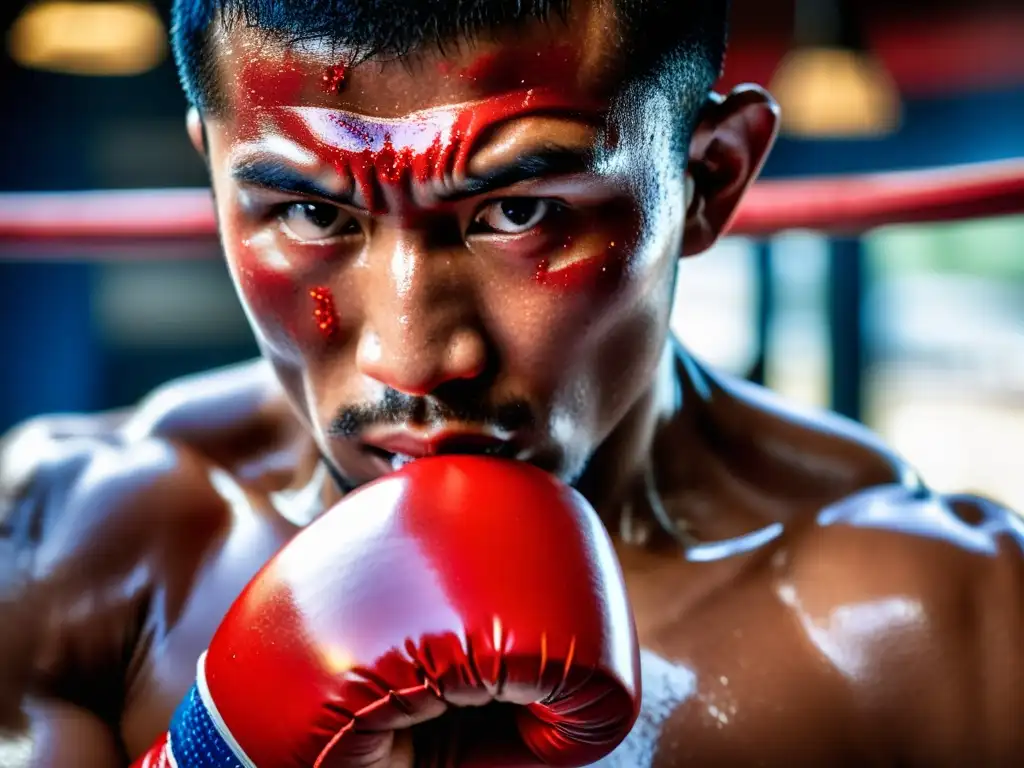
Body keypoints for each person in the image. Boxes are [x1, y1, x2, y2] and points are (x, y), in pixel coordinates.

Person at [1, 0, 1022, 764]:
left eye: (519, 213)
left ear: (709, 179)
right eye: (311, 214)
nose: (410, 358)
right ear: (216, 172)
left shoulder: (931, 622)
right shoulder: (76, 545)